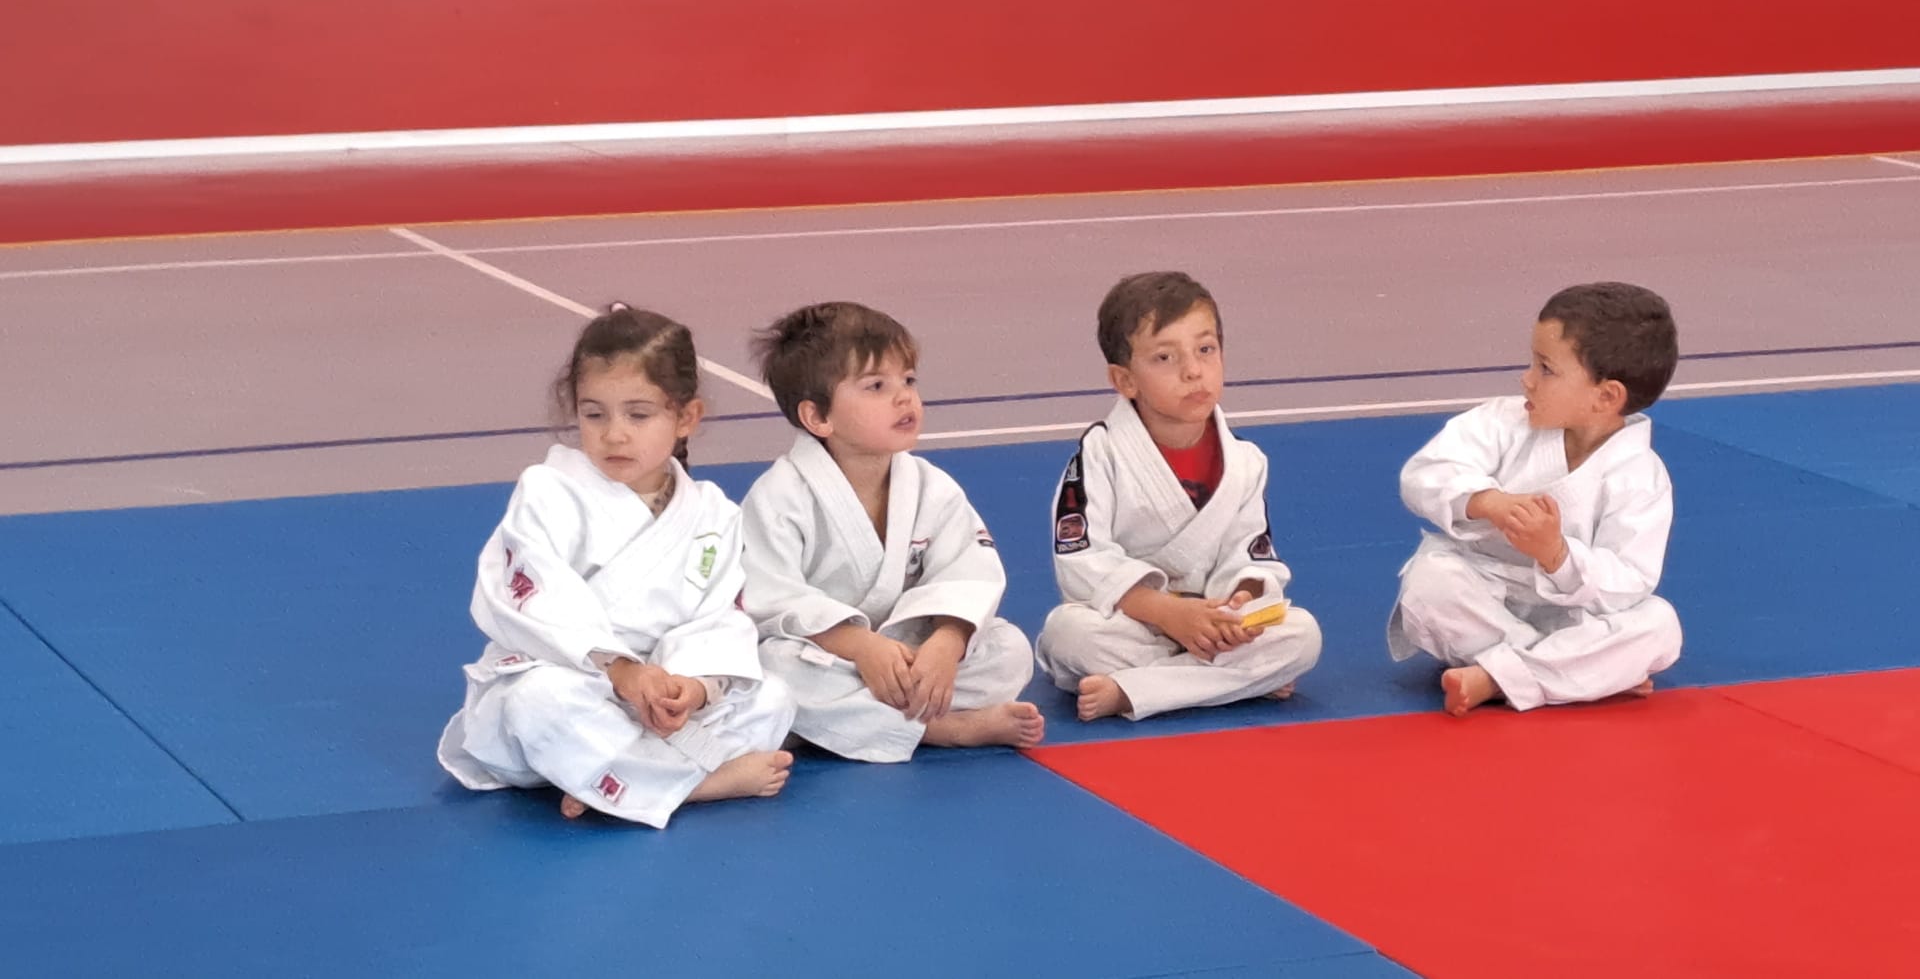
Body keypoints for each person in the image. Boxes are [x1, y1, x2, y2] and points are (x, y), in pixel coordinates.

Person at [437, 305, 795, 825]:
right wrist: (623, 671)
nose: (614, 434)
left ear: (686, 417)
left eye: (638, 415)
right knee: (535, 702)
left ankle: (609, 779)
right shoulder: (548, 491)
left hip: (661, 699)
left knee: (776, 696)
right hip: (577, 680)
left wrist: (691, 689)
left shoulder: (714, 513)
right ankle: (694, 783)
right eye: (595, 415)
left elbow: (719, 619)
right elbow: (531, 598)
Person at [740, 302, 1043, 762]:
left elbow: (968, 573)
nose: (904, 398)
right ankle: (939, 728)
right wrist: (861, 647)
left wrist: (946, 643)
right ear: (818, 417)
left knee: (1010, 649)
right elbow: (772, 599)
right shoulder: (779, 496)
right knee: (776, 668)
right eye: (876, 386)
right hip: (830, 654)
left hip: (909, 655)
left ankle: (847, 722)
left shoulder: (931, 487)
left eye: (909, 380)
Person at [1034, 272, 1322, 721]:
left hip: (1214, 624)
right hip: (1136, 623)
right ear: (1125, 380)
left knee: (1302, 635)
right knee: (1068, 634)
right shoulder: (1101, 453)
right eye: (1165, 357)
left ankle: (1133, 690)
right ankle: (1232, 681)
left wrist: (1239, 604)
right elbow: (1082, 558)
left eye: (1205, 350)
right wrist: (1169, 614)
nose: (1192, 371)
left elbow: (1249, 555)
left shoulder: (1245, 461)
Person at [1390, 282, 1684, 715]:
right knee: (1429, 582)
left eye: (1546, 369)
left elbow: (1628, 584)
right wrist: (1488, 502)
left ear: (1606, 396)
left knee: (1659, 626)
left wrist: (1556, 555)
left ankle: (1498, 676)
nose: (1526, 379)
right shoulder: (1501, 421)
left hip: (1576, 612)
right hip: (1485, 589)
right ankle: (1571, 672)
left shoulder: (1641, 476)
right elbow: (1423, 474)